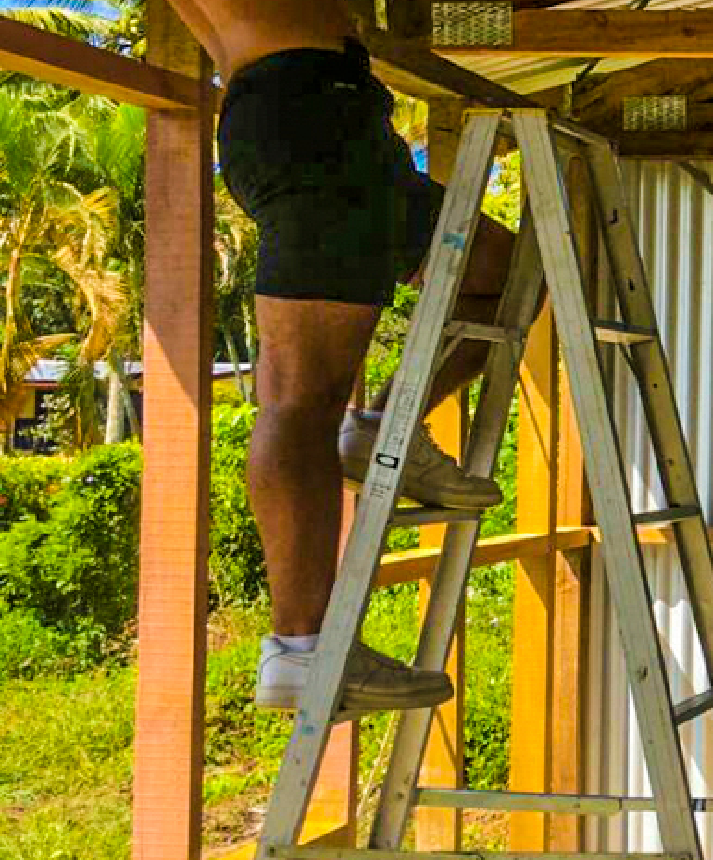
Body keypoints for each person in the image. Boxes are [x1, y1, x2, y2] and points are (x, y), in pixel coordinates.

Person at [160, 0, 521, 712]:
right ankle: (304, 648)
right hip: (311, 117)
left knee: (503, 273)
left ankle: (384, 427)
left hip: (337, 121)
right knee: (301, 399)